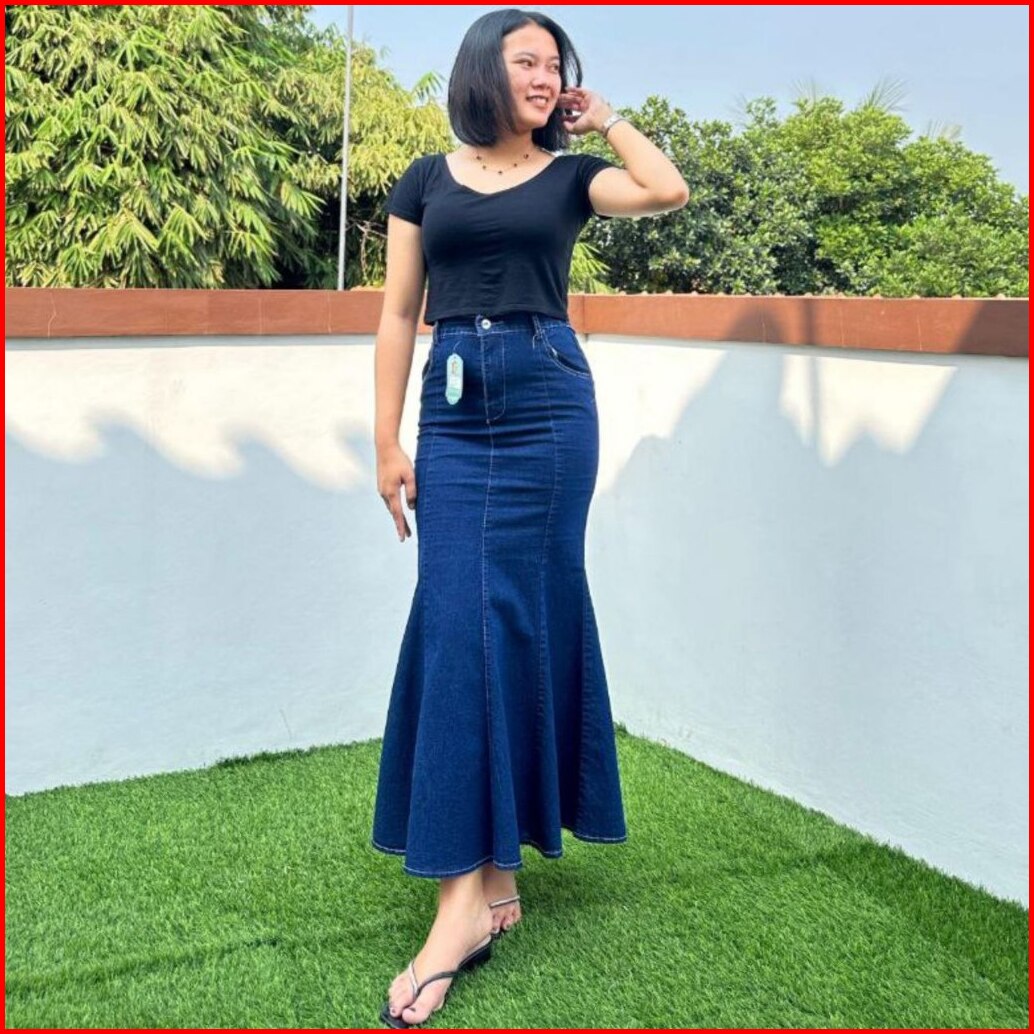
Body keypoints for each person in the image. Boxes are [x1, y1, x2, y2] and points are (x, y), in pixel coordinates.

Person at [371, 8, 689, 1028]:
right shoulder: (424, 179)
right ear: (483, 69)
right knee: (459, 623)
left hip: (549, 404)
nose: (546, 76)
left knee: (516, 617)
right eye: (527, 61)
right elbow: (397, 312)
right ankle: (481, 884)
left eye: (556, 64)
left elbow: (665, 190)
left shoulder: (570, 177)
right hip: (453, 411)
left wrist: (608, 119)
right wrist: (386, 441)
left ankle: (471, 901)